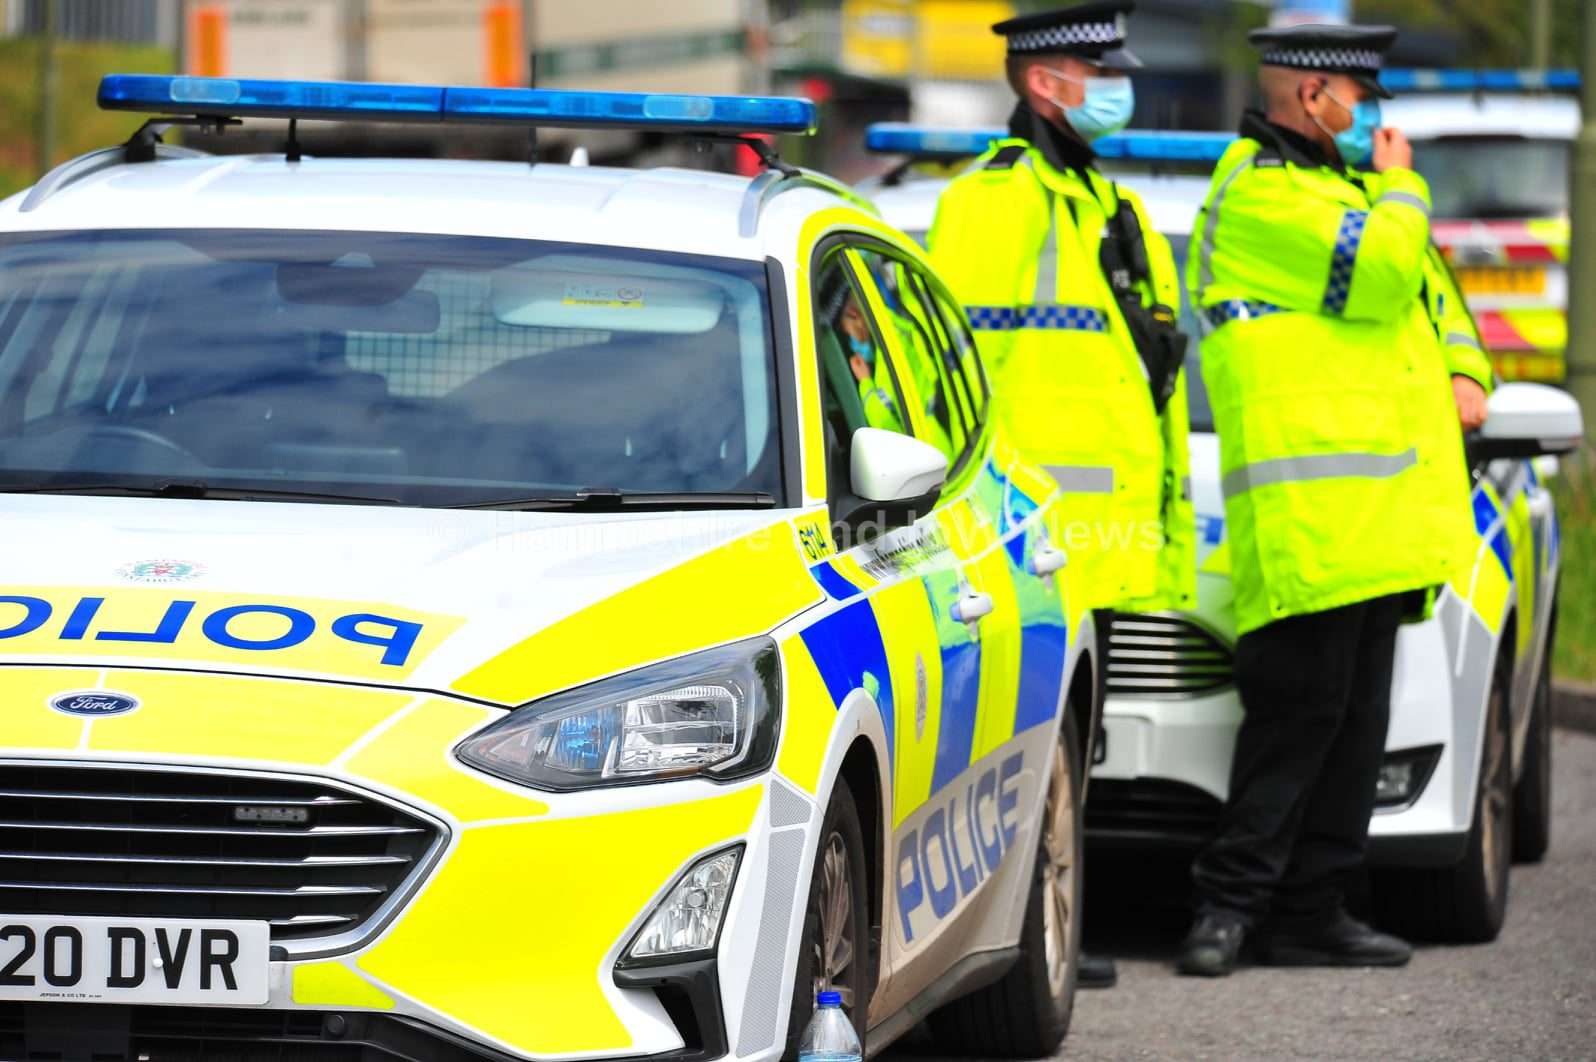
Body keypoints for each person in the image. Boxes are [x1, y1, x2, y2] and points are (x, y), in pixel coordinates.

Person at [1178, 23, 1492, 977]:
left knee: (1354, 727)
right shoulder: (1258, 195)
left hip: (1384, 519)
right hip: (1308, 518)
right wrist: (1404, 185)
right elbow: (1390, 269)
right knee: (1295, 719)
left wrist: (1469, 370)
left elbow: (1435, 303)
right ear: (1314, 97)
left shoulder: (1345, 193)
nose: (1374, 118)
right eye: (1363, 97)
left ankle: (1313, 910)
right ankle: (1226, 911)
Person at [927, 0, 1197, 990]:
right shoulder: (985, 203)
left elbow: (1150, 384)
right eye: (1100, 70)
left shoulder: (1112, 208)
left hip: (1106, 534)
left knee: (1077, 752)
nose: (1117, 87)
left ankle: (1057, 924)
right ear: (1046, 82)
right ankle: (1026, 934)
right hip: (1028, 536)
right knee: (1025, 751)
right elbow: (946, 377)